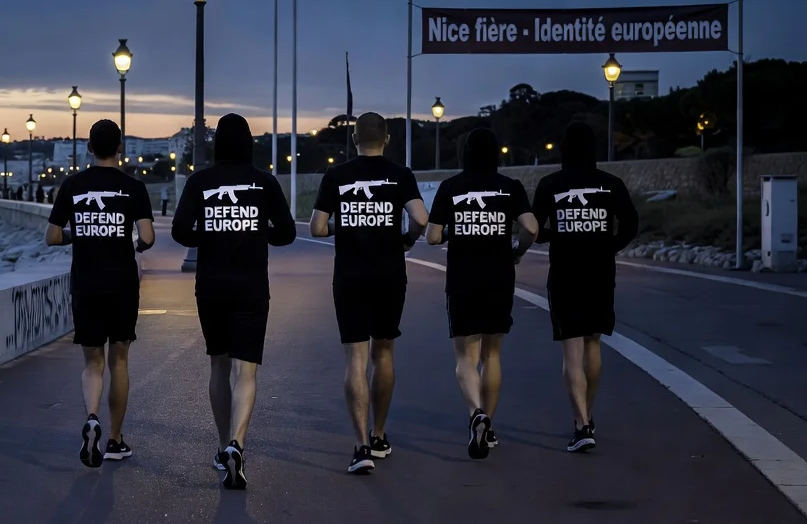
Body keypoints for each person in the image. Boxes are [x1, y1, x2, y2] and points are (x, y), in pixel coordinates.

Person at [172, 113, 295, 490]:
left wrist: (213, 234)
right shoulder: (265, 182)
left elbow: (180, 232)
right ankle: (238, 444)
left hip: (211, 286)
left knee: (218, 364)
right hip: (252, 286)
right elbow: (287, 233)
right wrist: (255, 232)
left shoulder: (199, 182)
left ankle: (222, 443)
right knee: (247, 371)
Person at [308, 112, 427, 474]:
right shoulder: (401, 175)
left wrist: (346, 225)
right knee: (384, 352)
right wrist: (406, 239)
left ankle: (360, 446)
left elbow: (317, 228)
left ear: (354, 139)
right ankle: (378, 434)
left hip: (350, 277)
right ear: (386, 139)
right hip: (389, 275)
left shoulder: (336, 176)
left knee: (355, 360)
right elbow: (421, 218)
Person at [46, 119, 156, 467]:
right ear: (120, 147)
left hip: (86, 284)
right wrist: (133, 244)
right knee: (119, 361)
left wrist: (79, 234)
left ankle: (92, 417)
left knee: (93, 364)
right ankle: (114, 439)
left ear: (90, 147)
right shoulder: (134, 187)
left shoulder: (72, 185)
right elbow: (148, 237)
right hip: (122, 284)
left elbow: (52, 236)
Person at [425, 127, 538, 460]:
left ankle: (476, 413)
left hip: (463, 279)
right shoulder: (510, 187)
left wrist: (457, 230)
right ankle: (489, 428)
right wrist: (518, 250)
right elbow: (532, 227)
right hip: (499, 277)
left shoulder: (451, 187)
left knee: (466, 358)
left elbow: (432, 236)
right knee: (492, 355)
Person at [532, 122, 638, 453]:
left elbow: (535, 228)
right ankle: (587, 416)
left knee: (571, 349)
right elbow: (631, 223)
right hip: (601, 272)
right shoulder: (611, 183)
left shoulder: (550, 184)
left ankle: (581, 425)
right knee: (594, 343)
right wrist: (608, 245)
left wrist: (558, 236)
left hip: (565, 273)